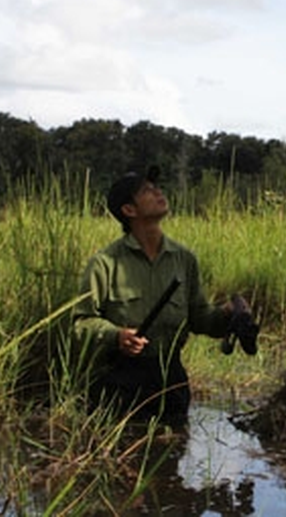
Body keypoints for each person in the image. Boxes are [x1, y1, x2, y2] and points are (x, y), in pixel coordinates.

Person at [72, 165, 257, 426]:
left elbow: (199, 317)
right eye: (147, 190)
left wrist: (227, 315)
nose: (158, 192)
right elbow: (81, 322)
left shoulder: (184, 260)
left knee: (171, 456)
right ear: (129, 210)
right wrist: (118, 336)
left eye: (156, 187)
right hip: (119, 382)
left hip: (171, 380)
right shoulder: (104, 263)